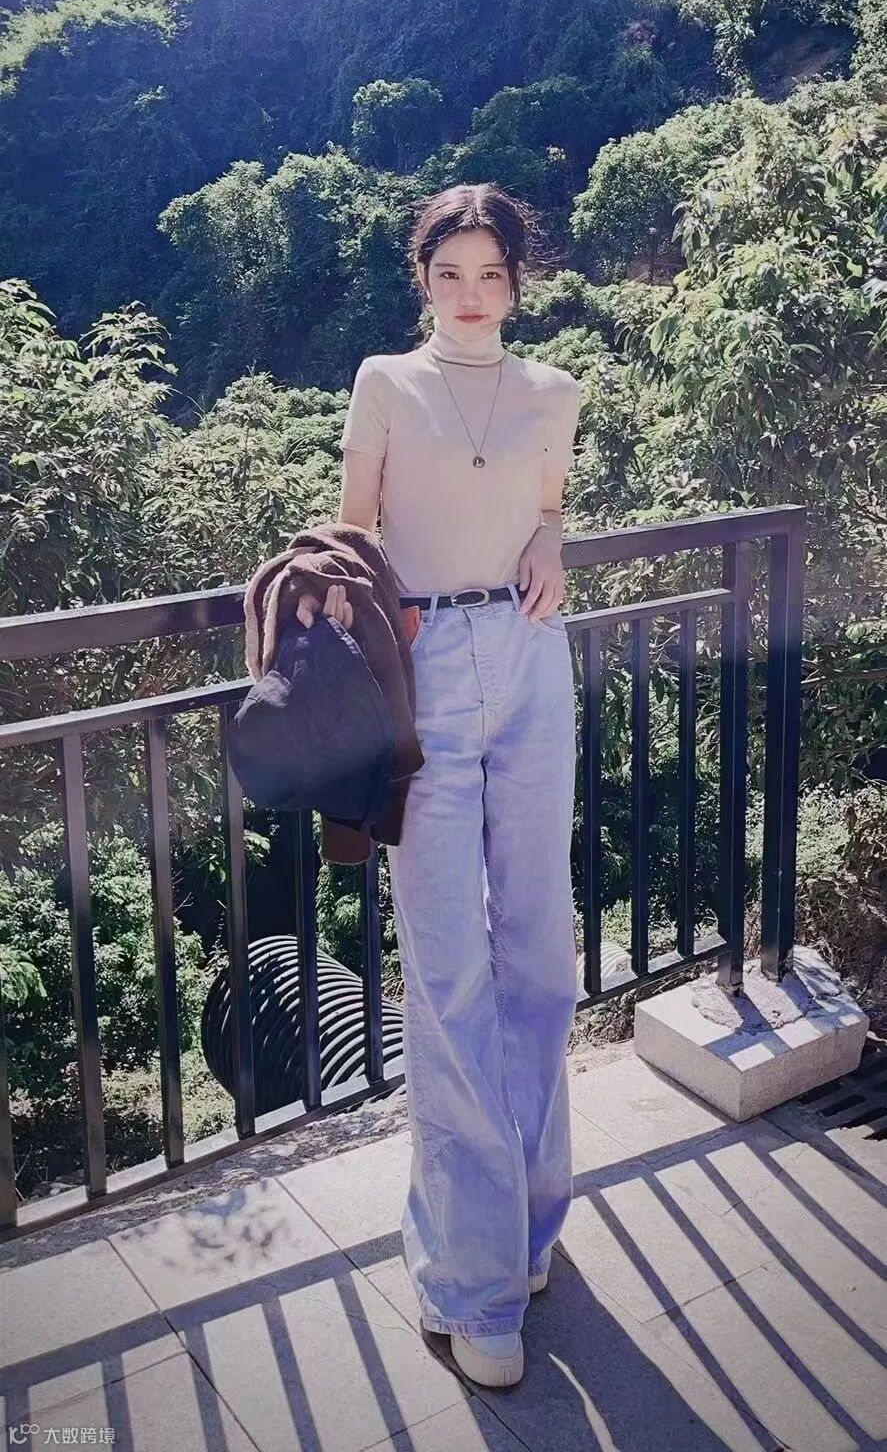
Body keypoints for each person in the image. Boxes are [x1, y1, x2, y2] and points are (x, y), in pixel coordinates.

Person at [297, 183, 582, 1389]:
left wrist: (550, 539)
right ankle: (473, 1285)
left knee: (539, 952)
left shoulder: (554, 390)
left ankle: (527, 1227)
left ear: (518, 281)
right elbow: (354, 529)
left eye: (491, 273)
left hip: (529, 661)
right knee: (450, 965)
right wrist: (330, 594)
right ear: (422, 278)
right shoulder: (384, 381)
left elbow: (546, 507)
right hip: (420, 668)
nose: (471, 295)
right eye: (449, 272)